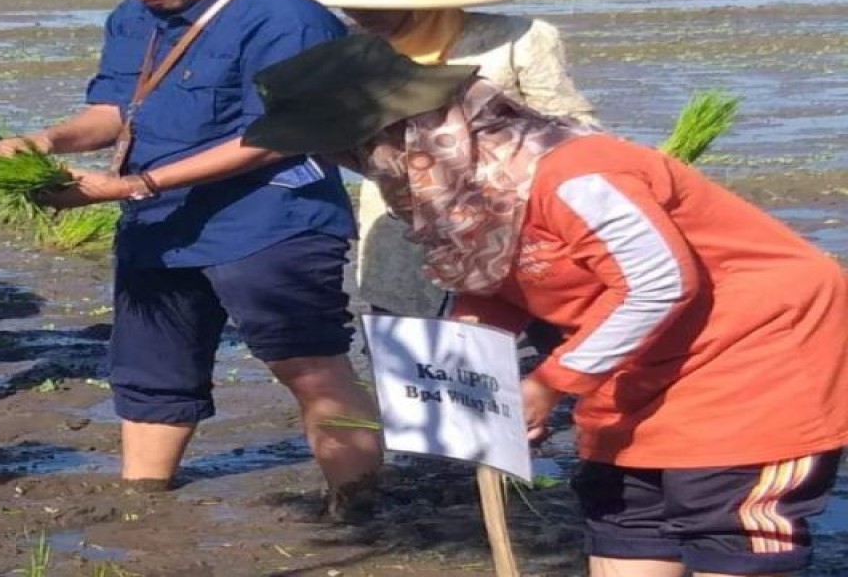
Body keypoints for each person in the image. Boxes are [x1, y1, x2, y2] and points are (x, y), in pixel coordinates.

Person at [243, 34, 848, 577]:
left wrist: (548, 384)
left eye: (351, 153)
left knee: (724, 518)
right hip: (635, 354)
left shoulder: (576, 173)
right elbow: (498, 285)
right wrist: (471, 374)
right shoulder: (462, 192)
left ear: (401, 137)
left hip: (757, 350)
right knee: (623, 508)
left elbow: (659, 284)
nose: (351, 169)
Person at [0, 0, 382, 518]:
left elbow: (273, 137)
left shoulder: (289, 21)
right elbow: (114, 108)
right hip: (162, 223)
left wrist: (133, 186)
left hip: (269, 220)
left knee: (307, 364)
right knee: (151, 372)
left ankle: (359, 511)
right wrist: (46, 140)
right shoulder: (133, 17)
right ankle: (145, 509)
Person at [286, 0, 596, 318]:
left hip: (509, 212)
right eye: (351, 7)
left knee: (507, 338)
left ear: (425, 3)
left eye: (379, 7)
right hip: (400, 215)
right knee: (404, 333)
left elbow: (572, 125)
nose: (361, 15)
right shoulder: (347, 51)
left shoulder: (517, 38)